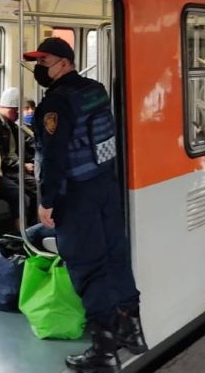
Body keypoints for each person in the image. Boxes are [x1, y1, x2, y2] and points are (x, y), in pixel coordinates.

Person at [24, 37, 146, 372]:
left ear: (63, 62)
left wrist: (47, 202)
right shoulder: (95, 89)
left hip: (76, 195)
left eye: (44, 61)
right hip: (105, 185)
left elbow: (55, 156)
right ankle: (131, 330)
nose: (39, 68)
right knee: (115, 258)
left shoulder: (57, 103)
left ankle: (104, 351)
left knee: (88, 267)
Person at [0, 88, 37, 224]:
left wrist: (32, 161)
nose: (19, 115)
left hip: (15, 166)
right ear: (10, 109)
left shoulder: (12, 126)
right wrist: (23, 165)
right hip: (8, 169)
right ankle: (30, 228)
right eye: (17, 111)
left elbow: (22, 150)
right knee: (36, 187)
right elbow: (0, 157)